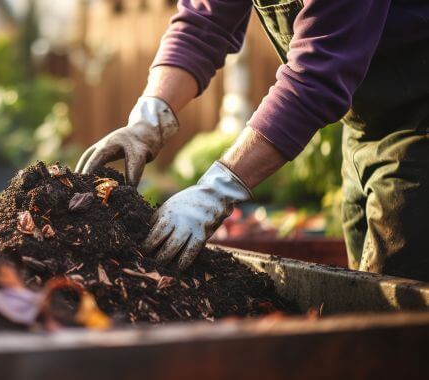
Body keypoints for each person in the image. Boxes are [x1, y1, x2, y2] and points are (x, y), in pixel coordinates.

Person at [75, 0, 429, 281]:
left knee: (400, 304)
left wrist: (216, 190)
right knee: (366, 294)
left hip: (419, 123)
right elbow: (203, 24)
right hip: (365, 127)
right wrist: (147, 122)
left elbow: (316, 78)